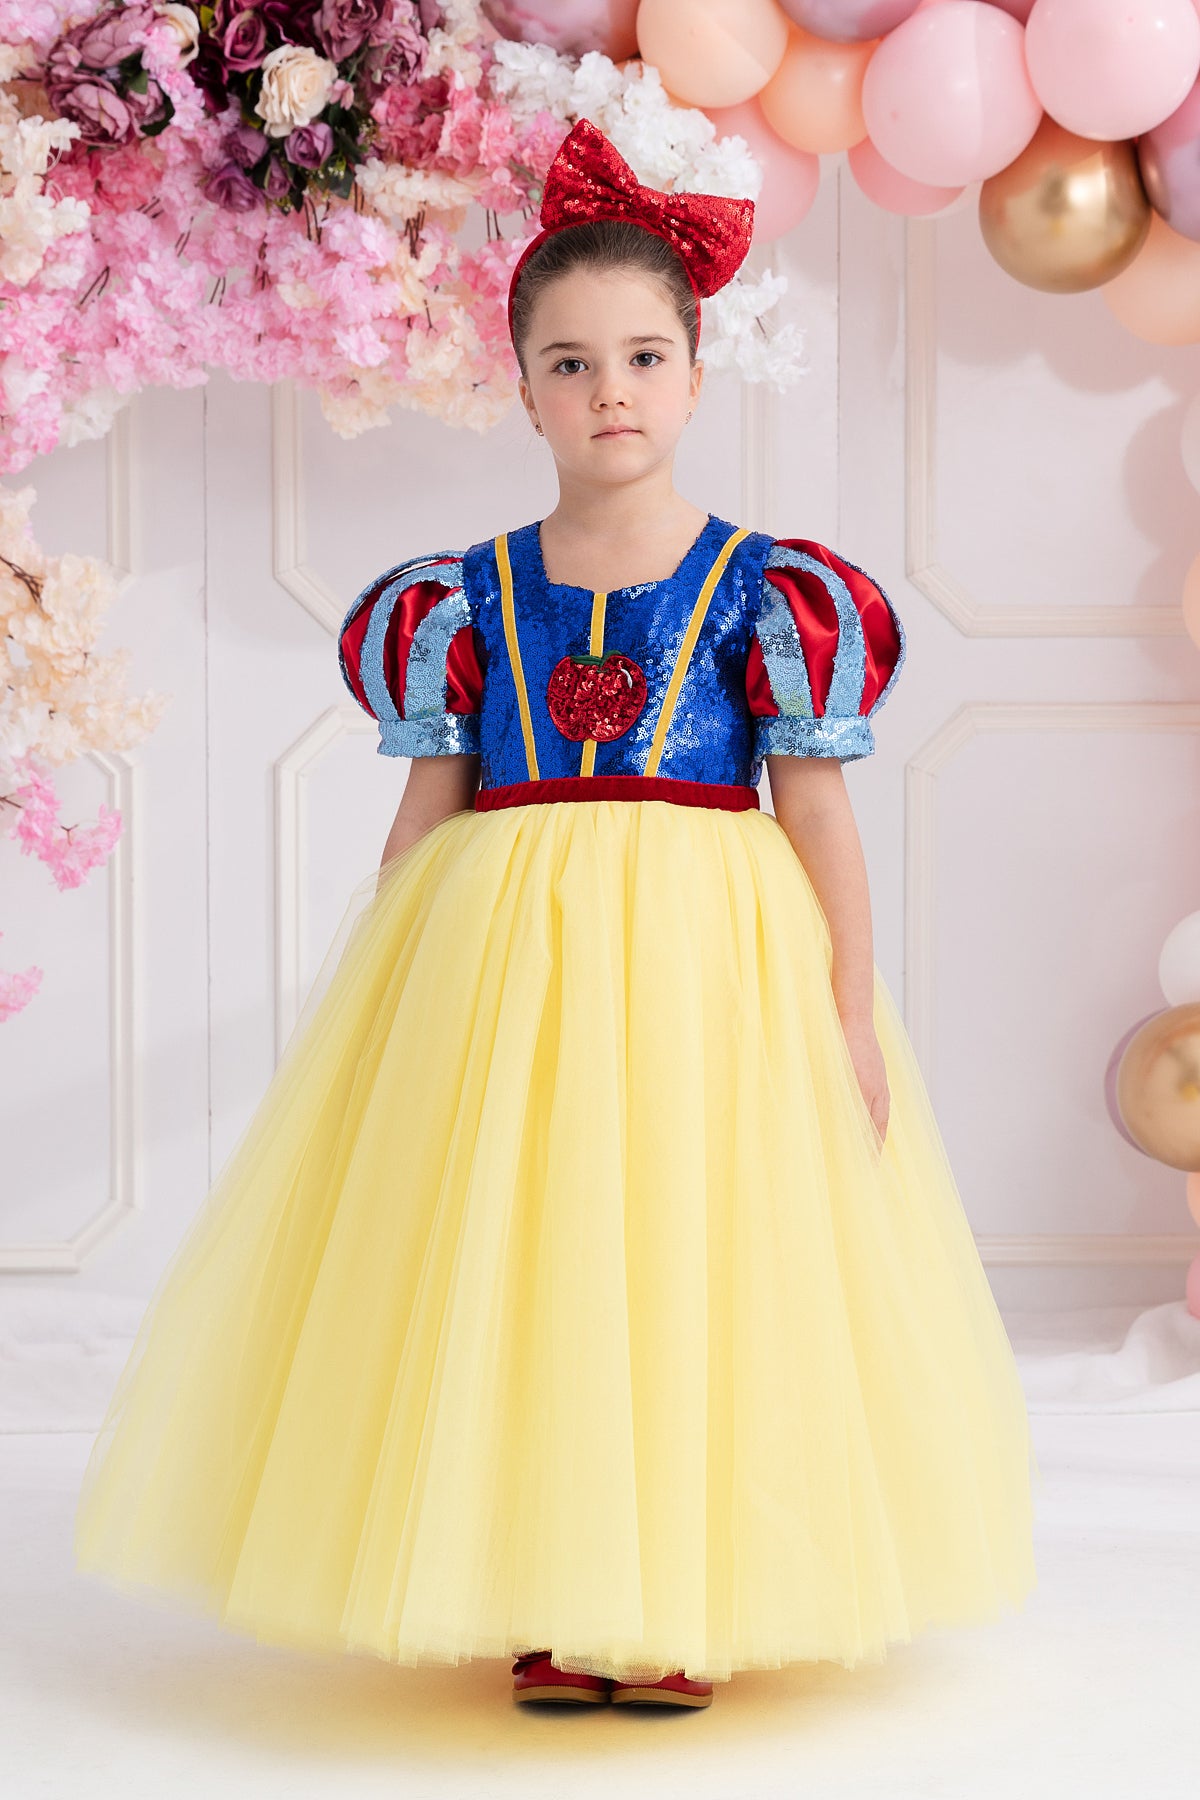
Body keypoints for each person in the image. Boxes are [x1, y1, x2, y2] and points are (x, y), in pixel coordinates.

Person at [73, 118, 1039, 1716]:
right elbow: (429, 807)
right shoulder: (466, 596)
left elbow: (816, 812)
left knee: (689, 1244)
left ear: (697, 379)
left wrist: (849, 1010)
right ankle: (546, 1583)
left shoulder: (769, 591)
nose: (612, 393)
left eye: (645, 359)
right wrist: (382, 995)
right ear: (521, 389)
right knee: (528, 1259)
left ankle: (672, 1596)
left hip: (710, 964)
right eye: (571, 364)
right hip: (507, 963)